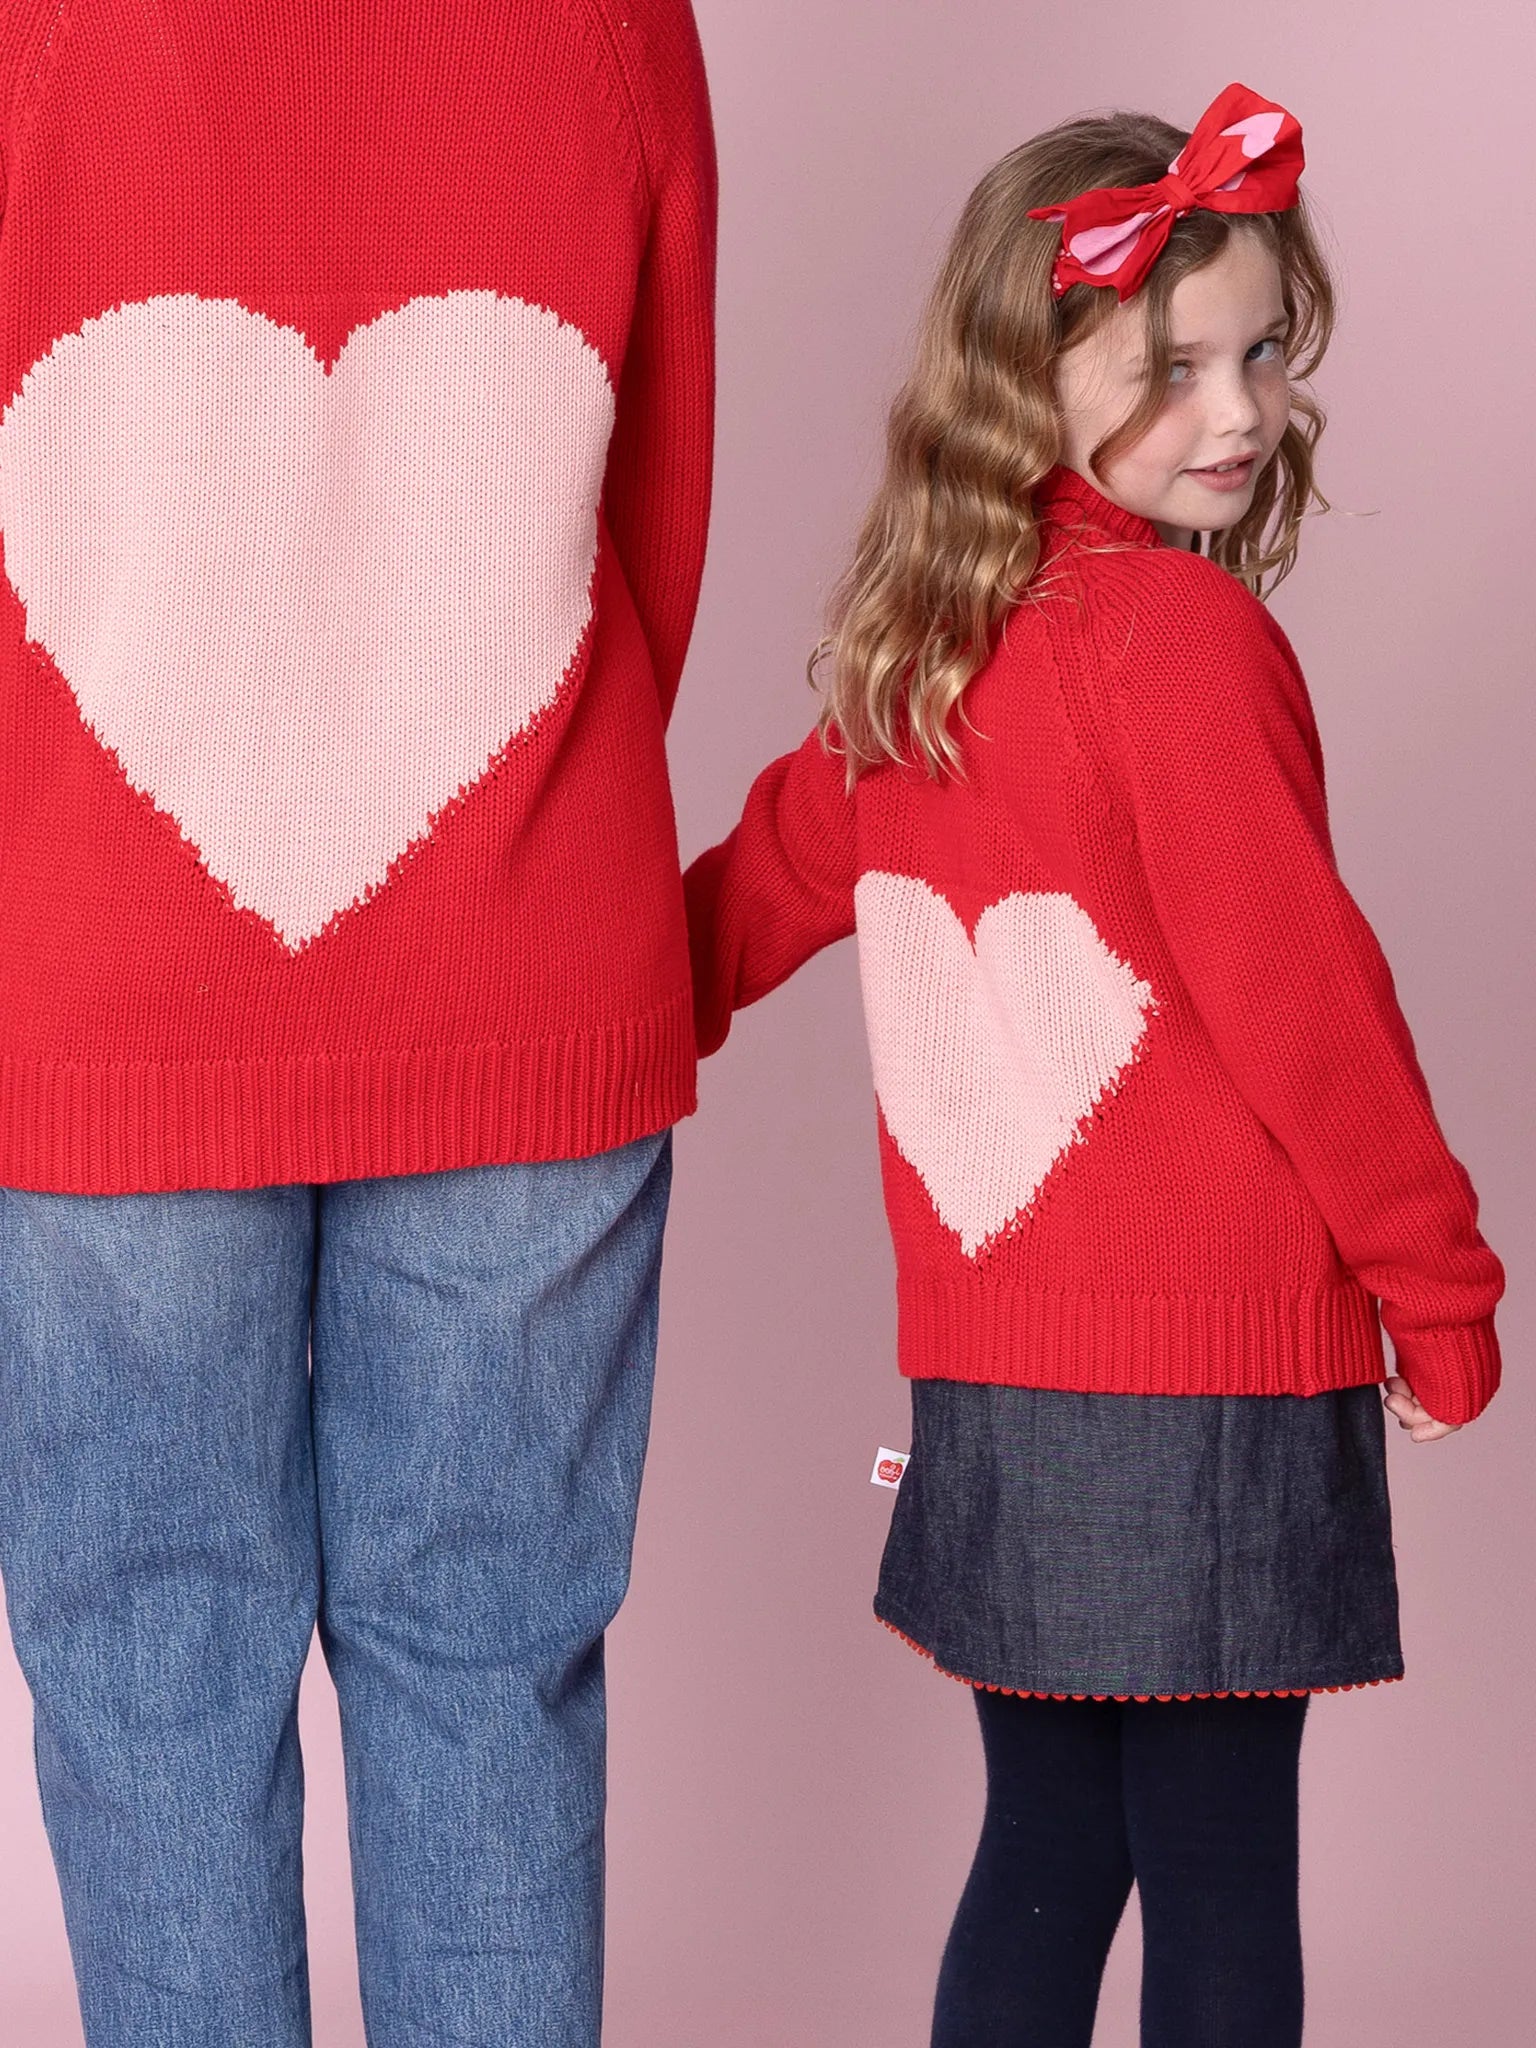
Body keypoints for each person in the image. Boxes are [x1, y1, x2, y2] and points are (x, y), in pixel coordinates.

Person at [683, 82, 1504, 2048]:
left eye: (1265, 355)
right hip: (1212, 1371)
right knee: (1217, 1868)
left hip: (999, 1375)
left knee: (1044, 1841)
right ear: (1028, 379)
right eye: (1174, 369)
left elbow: (738, 904)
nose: (1242, 414)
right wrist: (1439, 1284)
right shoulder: (1183, 645)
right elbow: (1308, 999)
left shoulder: (921, 653)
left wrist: (557, 1014)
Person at [0, 2, 714, 2044]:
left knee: (150, 1665)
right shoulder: (615, 21)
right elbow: (656, 495)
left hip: (107, 963)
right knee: (490, 1660)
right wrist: (534, 827)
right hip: (525, 937)